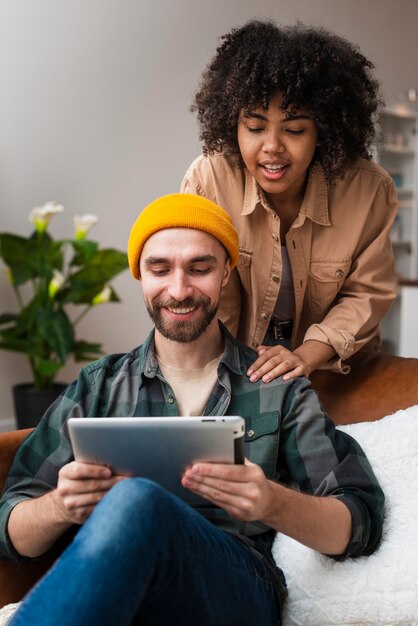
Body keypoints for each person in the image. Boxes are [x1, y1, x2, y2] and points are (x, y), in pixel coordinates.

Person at [0, 194, 384, 626]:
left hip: (235, 586)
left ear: (225, 273)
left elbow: (359, 522)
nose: (179, 290)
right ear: (140, 276)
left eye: (199, 269)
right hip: (122, 582)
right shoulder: (98, 385)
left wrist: (270, 501)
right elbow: (10, 526)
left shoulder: (277, 388)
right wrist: (59, 507)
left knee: (136, 499)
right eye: (159, 270)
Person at [181, 19, 397, 384]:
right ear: (232, 124)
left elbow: (367, 294)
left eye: (295, 130)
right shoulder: (209, 181)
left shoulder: (368, 190)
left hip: (337, 374)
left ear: (323, 132)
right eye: (254, 127)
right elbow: (205, 293)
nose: (272, 147)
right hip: (237, 372)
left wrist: (305, 358)